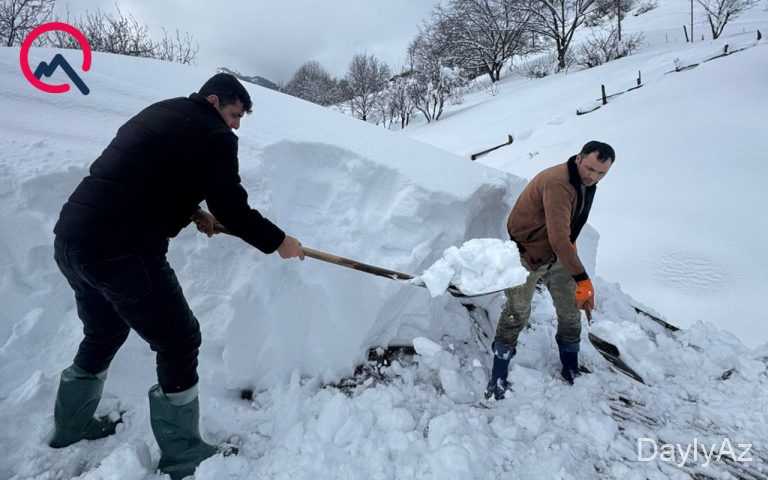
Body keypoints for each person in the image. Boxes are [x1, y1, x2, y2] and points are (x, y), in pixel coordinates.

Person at [49, 73, 304, 479]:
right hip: (123, 249)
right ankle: (185, 453)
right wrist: (279, 241)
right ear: (215, 100)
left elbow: (146, 175)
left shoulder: (163, 112)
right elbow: (234, 209)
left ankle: (70, 425)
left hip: (73, 237)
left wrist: (193, 210)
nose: (236, 124)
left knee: (103, 331)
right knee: (179, 338)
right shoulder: (215, 136)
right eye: (235, 114)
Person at [485, 141, 615, 400]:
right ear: (578, 158)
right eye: (590, 168)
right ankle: (498, 375)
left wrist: (573, 265)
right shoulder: (559, 183)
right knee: (517, 311)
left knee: (570, 310)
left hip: (556, 253)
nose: (593, 176)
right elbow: (558, 237)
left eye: (601, 173)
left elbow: (568, 229)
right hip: (526, 253)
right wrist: (582, 278)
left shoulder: (585, 183)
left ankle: (570, 368)